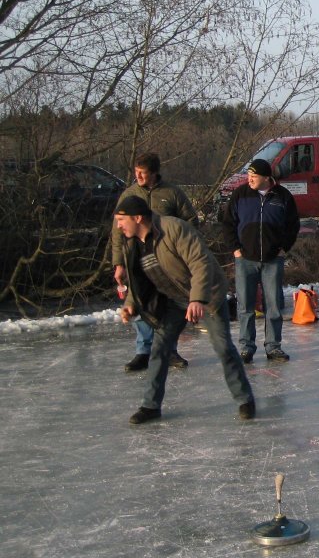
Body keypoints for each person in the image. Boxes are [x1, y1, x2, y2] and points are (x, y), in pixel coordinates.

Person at [114, 196, 254, 424]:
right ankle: (150, 406)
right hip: (174, 299)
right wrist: (130, 303)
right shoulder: (132, 243)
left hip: (207, 295)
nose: (118, 226)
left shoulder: (174, 229)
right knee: (159, 348)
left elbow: (200, 263)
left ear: (137, 218)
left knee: (223, 348)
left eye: (121, 220)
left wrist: (197, 299)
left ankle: (244, 399)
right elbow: (138, 279)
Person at [111, 152, 198, 373]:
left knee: (168, 304)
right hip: (138, 258)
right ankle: (143, 351)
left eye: (143, 172)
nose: (138, 176)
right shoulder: (129, 195)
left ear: (154, 173)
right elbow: (117, 231)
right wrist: (119, 263)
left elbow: (191, 220)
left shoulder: (172, 193)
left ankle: (169, 349)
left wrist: (182, 247)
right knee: (141, 299)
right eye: (136, 172)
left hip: (166, 259)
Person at [222, 159, 300, 363]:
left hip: (273, 260)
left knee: (273, 305)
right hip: (245, 259)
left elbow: (293, 225)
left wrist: (284, 248)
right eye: (248, 176)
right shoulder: (240, 195)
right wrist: (235, 249)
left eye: (254, 177)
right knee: (245, 306)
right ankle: (246, 347)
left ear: (266, 177)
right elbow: (228, 223)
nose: (249, 180)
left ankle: (273, 347)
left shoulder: (283, 196)